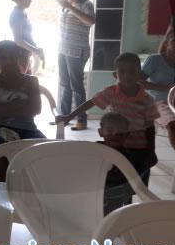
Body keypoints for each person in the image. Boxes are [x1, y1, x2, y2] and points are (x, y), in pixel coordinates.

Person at [56, 53, 159, 185]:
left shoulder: (147, 99)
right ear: (115, 75)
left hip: (138, 147)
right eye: (122, 71)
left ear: (140, 74)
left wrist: (151, 150)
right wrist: (69, 116)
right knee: (113, 177)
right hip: (116, 143)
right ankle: (112, 198)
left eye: (132, 71)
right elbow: (91, 102)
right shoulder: (110, 92)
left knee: (136, 181)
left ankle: (129, 202)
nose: (127, 75)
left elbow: (150, 127)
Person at [0, 41, 45, 180]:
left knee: (45, 153)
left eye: (13, 57)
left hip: (29, 130)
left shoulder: (31, 80)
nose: (9, 61)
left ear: (19, 57)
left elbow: (36, 109)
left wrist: (2, 109)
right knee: (1, 154)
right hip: (2, 129)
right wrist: (19, 105)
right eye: (4, 58)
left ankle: (38, 195)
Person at [55, 0, 96, 131]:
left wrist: (70, 7)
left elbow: (90, 21)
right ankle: (64, 117)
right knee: (65, 84)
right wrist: (66, 2)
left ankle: (81, 120)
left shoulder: (86, 5)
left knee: (77, 86)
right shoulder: (68, 5)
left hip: (77, 52)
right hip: (64, 50)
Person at [97, 112, 135, 215]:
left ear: (127, 135)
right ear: (100, 132)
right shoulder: (94, 149)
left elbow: (125, 179)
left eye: (120, 133)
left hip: (115, 194)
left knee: (110, 217)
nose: (115, 135)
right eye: (109, 131)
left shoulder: (126, 156)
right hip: (93, 190)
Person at [142, 37, 175, 150]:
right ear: (167, 44)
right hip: (158, 102)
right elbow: (139, 82)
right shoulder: (155, 60)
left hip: (173, 102)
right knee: (172, 124)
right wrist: (165, 87)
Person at [8, 0, 44, 72]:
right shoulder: (17, 15)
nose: (31, 0)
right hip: (21, 53)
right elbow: (18, 41)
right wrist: (35, 50)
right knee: (24, 80)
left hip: (26, 52)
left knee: (28, 78)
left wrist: (34, 49)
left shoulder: (22, 12)